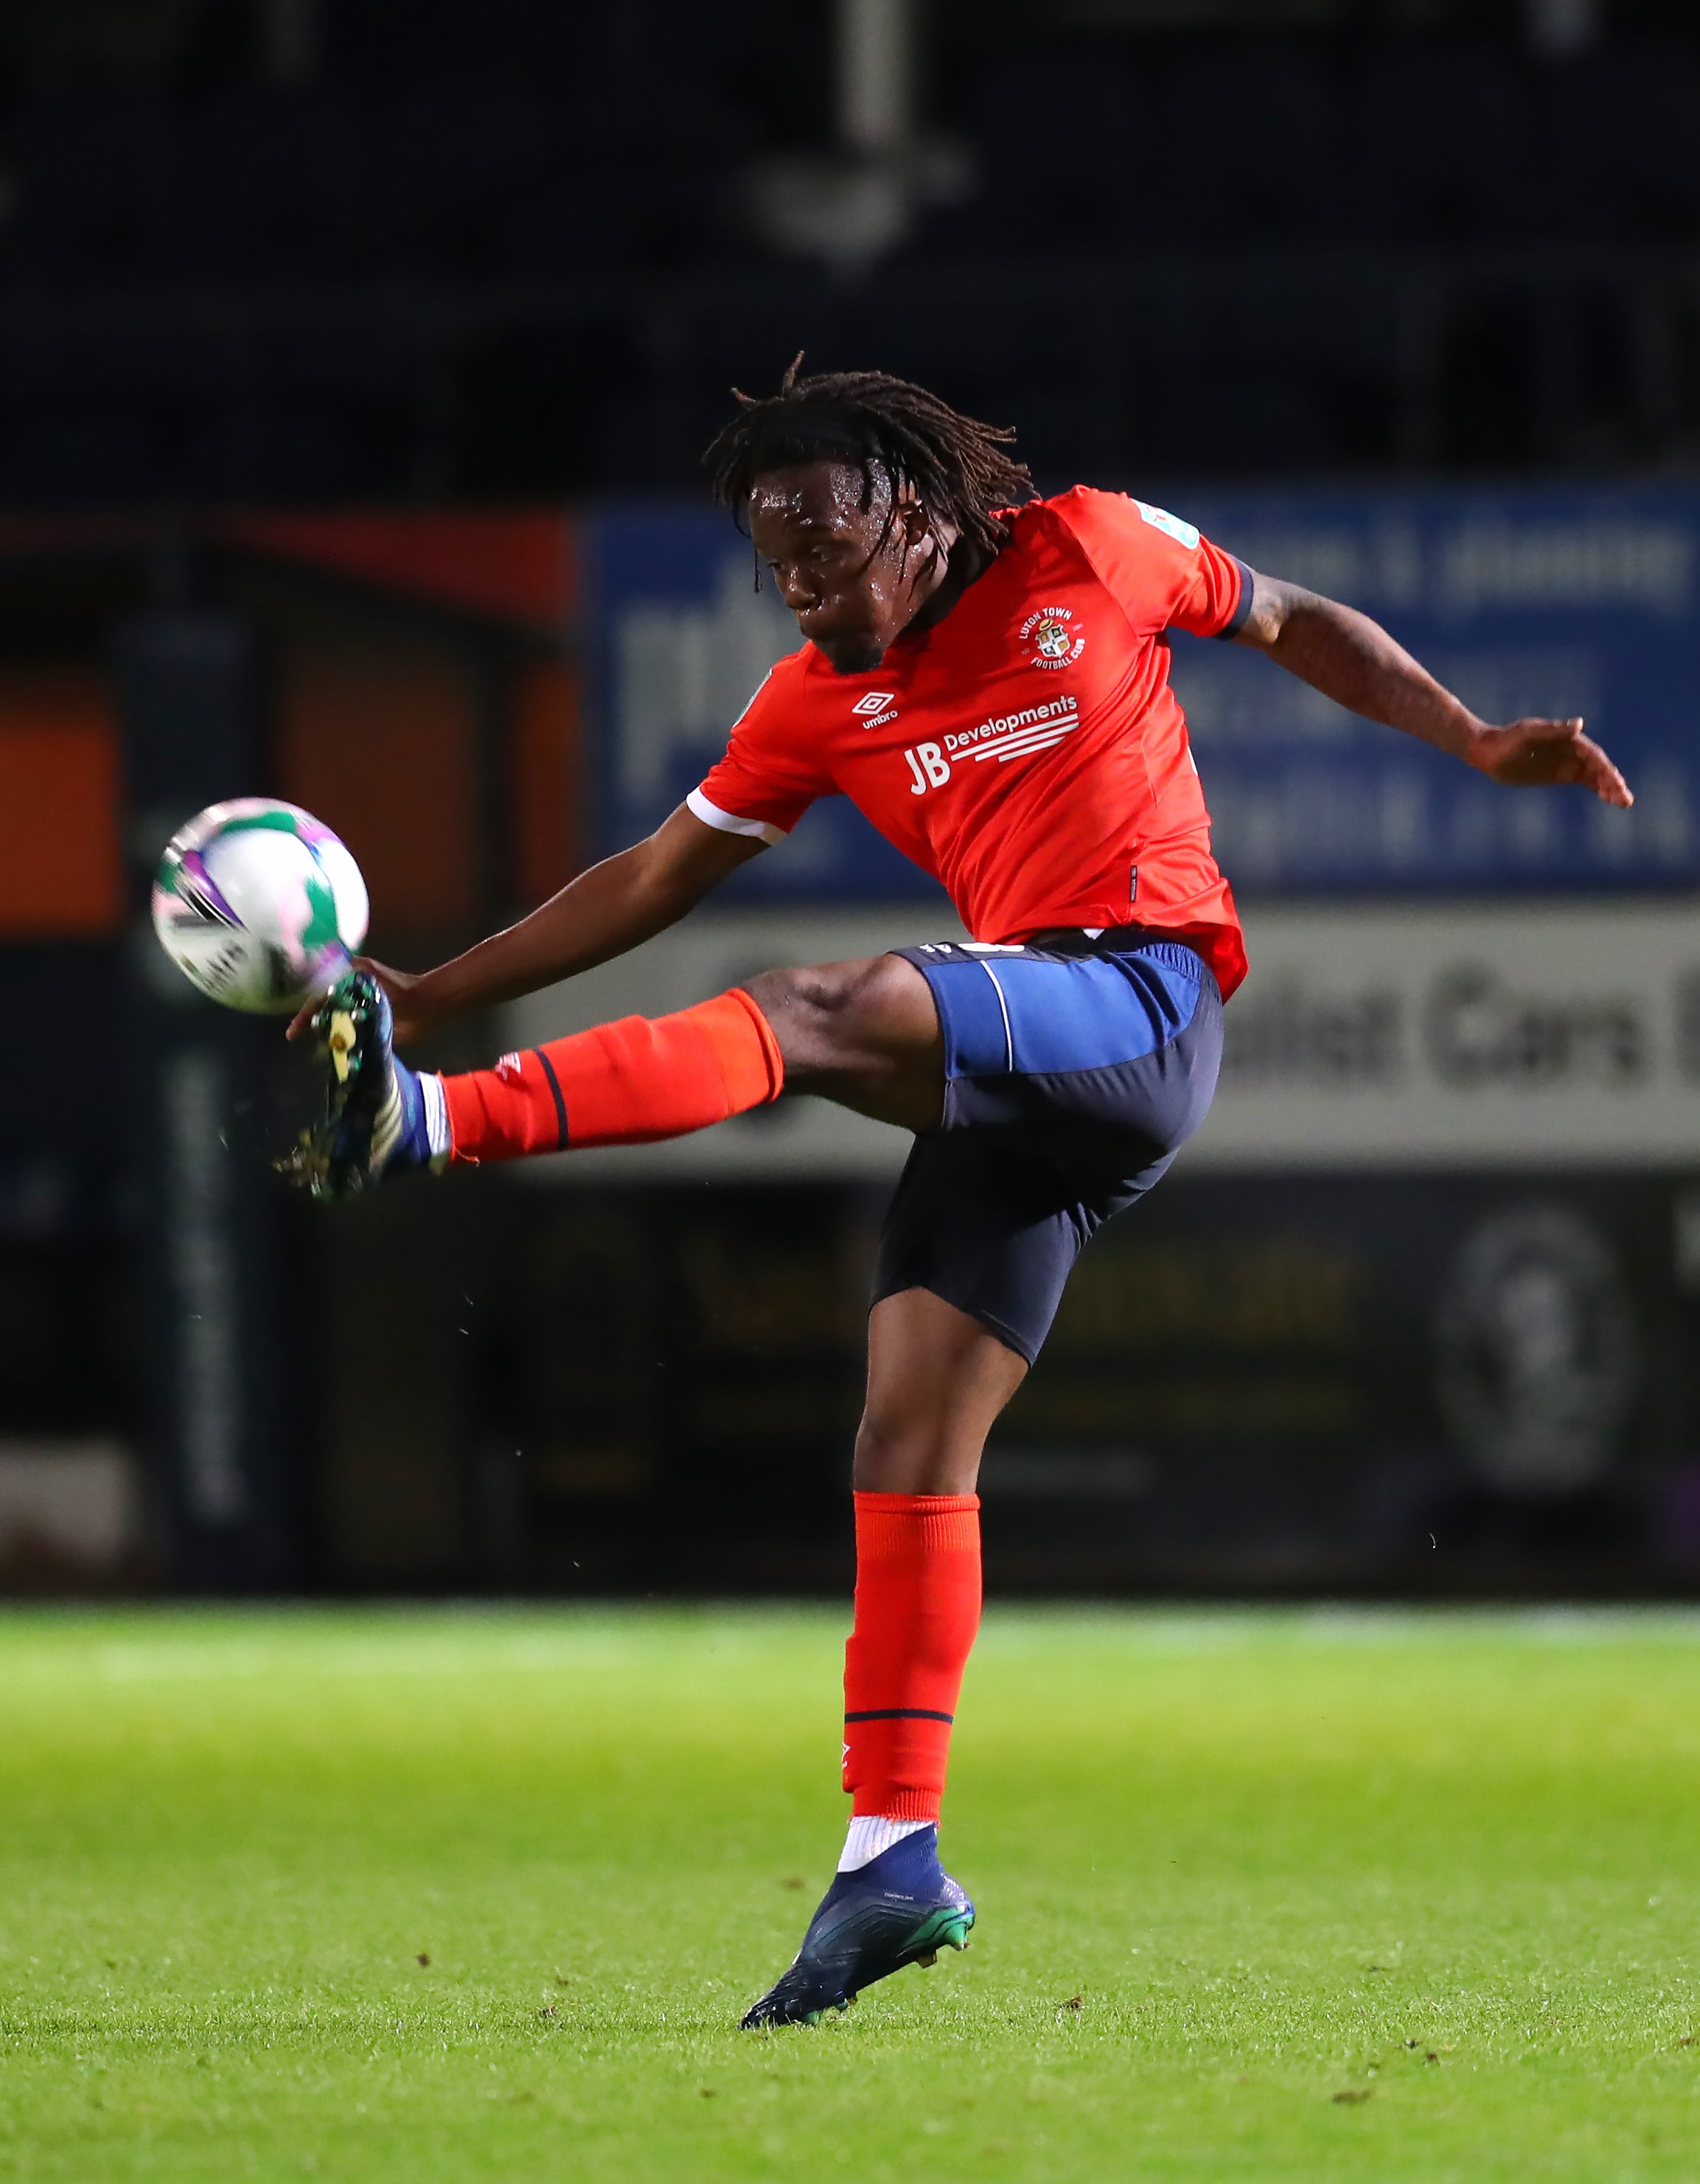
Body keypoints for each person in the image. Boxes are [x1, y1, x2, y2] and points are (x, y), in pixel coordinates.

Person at [283, 362, 1631, 2028]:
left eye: (827, 548)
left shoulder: (1089, 548)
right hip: (1028, 1067)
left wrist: (1470, 735)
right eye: (775, 561)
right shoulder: (809, 701)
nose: (802, 585)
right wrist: (430, 982)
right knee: (907, 1441)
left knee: (806, 1010)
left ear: (915, 513)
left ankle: (428, 1127)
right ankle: (888, 1859)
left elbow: (1289, 620)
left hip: (1136, 995)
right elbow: (646, 875)